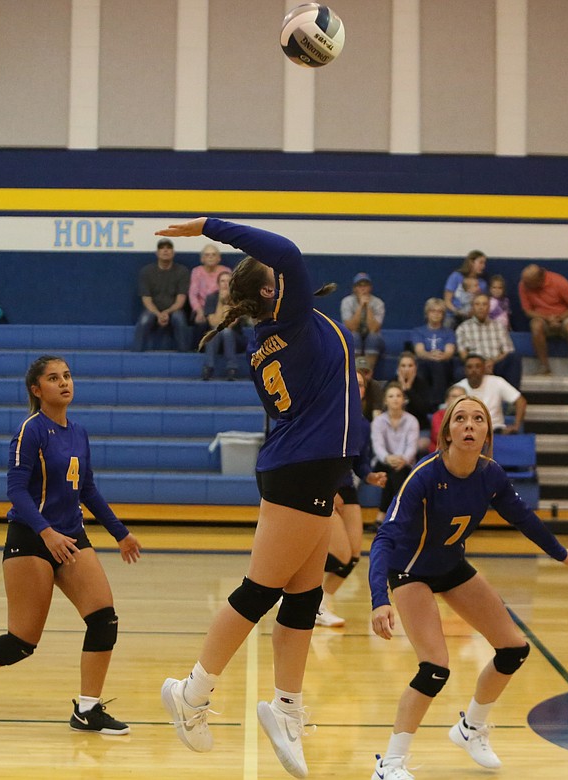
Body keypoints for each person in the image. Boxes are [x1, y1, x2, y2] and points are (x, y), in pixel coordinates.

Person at [156, 217, 364, 779]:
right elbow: (287, 250)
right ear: (273, 290)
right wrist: (212, 228)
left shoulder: (268, 337)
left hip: (311, 468)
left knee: (302, 600)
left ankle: (287, 707)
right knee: (258, 593)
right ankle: (192, 694)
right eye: (280, 278)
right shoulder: (290, 319)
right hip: (301, 472)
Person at [0, 355, 141, 734]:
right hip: (31, 537)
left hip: (71, 537)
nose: (64, 383)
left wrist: (120, 533)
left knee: (104, 618)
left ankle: (87, 709)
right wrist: (46, 532)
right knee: (22, 641)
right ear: (37, 391)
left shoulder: (79, 433)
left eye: (68, 376)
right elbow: (15, 491)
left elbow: (86, 489)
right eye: (54, 378)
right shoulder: (31, 430)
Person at [368, 395, 568, 780]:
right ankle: (390, 764)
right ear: (446, 432)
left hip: (452, 567)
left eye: (478, 419)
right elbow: (384, 538)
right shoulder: (423, 477)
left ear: (487, 432)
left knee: (514, 649)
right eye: (461, 419)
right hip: (409, 572)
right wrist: (379, 600)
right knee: (435, 668)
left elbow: (523, 517)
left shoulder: (490, 474)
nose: (469, 425)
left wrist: (559, 552)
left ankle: (470, 728)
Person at [317, 369, 387, 629]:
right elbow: (318, 459)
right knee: (340, 554)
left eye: (361, 385)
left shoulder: (363, 424)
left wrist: (371, 477)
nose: (356, 388)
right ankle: (290, 586)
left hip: (347, 487)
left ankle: (319, 605)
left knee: (354, 556)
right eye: (352, 384)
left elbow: (360, 464)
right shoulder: (328, 418)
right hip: (326, 487)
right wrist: (329, 490)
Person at [517, 264, 568, 376]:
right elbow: (527, 311)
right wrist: (547, 318)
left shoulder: (559, 282)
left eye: (528, 283)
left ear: (538, 280)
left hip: (565, 316)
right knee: (536, 327)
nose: (525, 285)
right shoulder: (523, 285)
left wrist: (560, 318)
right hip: (543, 317)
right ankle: (544, 367)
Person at [134, 238, 191, 352]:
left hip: (174, 310)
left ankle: (184, 353)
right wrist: (158, 314)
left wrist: (167, 312)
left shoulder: (182, 271)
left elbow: (181, 299)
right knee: (144, 320)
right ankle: (136, 353)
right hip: (153, 310)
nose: (165, 251)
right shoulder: (146, 272)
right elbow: (146, 299)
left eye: (168, 248)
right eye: (162, 248)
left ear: (173, 253)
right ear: (157, 253)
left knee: (179, 319)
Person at [456, 294, 520, 390]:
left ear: (489, 307)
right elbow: (463, 353)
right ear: (473, 307)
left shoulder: (499, 327)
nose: (481, 307)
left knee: (514, 358)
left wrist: (492, 362)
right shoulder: (463, 328)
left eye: (484, 304)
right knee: (459, 370)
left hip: (495, 363)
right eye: (477, 304)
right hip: (475, 365)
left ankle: (512, 400)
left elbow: (507, 350)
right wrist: (480, 365)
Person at [372, 384, 420, 512]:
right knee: (392, 471)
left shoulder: (412, 420)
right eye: (391, 396)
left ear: (403, 400)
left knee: (395, 473)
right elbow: (378, 446)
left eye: (398, 395)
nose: (395, 399)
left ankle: (382, 516)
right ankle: (403, 511)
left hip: (405, 463)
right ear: (385, 401)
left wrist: (402, 459)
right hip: (383, 462)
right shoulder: (378, 421)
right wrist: (388, 458)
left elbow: (412, 447)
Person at [453, 354, 525, 434]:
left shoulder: (497, 382)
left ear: (484, 368)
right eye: (470, 367)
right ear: (465, 370)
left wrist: (517, 425)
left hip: (495, 430)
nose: (474, 370)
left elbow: (521, 401)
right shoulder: (458, 388)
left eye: (478, 366)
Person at [201, 270, 248, 380]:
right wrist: (220, 302)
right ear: (218, 284)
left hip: (236, 339)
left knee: (226, 331)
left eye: (228, 281)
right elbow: (213, 322)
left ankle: (232, 369)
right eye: (222, 281)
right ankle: (209, 367)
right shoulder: (211, 298)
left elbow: (230, 324)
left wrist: (227, 302)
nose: (225, 284)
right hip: (215, 339)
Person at [411, 298, 457, 406]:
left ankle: (437, 402)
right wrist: (431, 356)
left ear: (443, 315)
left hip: (443, 364)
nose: (436, 314)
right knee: (421, 367)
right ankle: (423, 403)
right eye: (433, 311)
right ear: (427, 313)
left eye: (439, 311)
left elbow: (449, 352)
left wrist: (440, 357)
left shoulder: (449, 333)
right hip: (424, 363)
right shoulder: (418, 331)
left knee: (438, 365)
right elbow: (420, 351)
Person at [392, 352, 433, 452]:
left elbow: (425, 410)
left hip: (420, 428)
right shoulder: (392, 384)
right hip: (396, 428)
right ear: (398, 368)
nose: (406, 369)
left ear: (415, 368)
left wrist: (408, 390)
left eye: (410, 366)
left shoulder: (423, 384)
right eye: (403, 366)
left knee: (422, 445)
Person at [341, 272, 387, 363]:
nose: (363, 288)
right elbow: (351, 327)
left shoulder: (378, 303)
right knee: (353, 337)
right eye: (359, 286)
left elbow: (373, 329)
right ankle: (354, 373)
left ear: (370, 288)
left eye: (366, 285)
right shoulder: (347, 302)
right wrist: (361, 306)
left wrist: (367, 306)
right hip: (353, 336)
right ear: (354, 289)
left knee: (373, 338)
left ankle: (368, 374)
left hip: (373, 339)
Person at [188, 243, 232, 328]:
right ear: (202, 259)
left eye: (213, 254)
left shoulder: (226, 270)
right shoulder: (197, 271)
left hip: (221, 307)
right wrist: (199, 311)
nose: (210, 257)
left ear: (219, 258)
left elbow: (230, 292)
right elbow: (192, 295)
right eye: (207, 255)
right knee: (201, 323)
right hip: (202, 309)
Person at [443, 250, 489, 324]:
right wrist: (457, 311)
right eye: (480, 263)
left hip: (471, 316)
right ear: (471, 262)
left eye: (484, 263)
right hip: (453, 314)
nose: (483, 266)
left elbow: (482, 303)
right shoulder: (456, 276)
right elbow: (447, 301)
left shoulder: (482, 284)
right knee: (448, 323)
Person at [430, 385, 470, 452]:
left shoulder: (470, 416)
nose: (457, 399)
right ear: (447, 400)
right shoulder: (438, 415)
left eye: (461, 397)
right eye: (454, 396)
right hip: (440, 454)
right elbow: (440, 437)